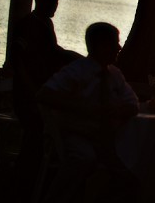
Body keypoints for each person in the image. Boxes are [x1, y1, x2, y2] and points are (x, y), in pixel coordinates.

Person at [36, 22, 139, 203]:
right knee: (83, 158)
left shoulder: (115, 75)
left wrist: (115, 111)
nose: (119, 48)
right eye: (115, 43)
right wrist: (83, 109)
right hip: (78, 133)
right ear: (101, 46)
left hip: (109, 139)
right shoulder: (76, 72)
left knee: (134, 166)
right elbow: (45, 94)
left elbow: (133, 103)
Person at [9, 0, 80, 201]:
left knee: (38, 141)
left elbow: (55, 53)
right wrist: (32, 92)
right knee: (33, 142)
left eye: (57, 0)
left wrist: (78, 59)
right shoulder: (27, 25)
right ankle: (24, 187)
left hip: (39, 95)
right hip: (28, 97)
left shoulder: (45, 24)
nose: (57, 4)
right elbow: (19, 62)